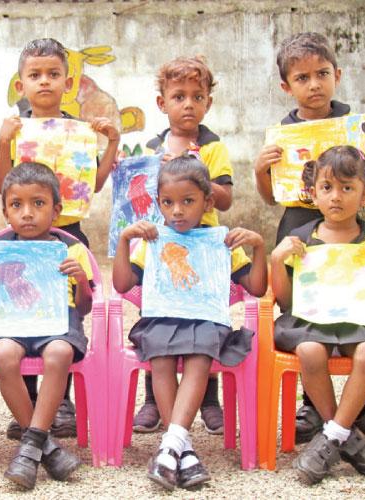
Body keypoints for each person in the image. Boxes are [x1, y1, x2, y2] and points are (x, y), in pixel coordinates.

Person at [253, 32, 365, 446]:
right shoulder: (283, 134)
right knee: (305, 315)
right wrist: (260, 172)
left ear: (338, 75)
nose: (314, 85)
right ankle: (314, 409)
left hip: (352, 238)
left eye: (322, 74)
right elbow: (271, 198)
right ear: (287, 87)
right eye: (302, 78)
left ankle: (360, 409)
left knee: (357, 312)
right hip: (301, 233)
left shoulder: (357, 128)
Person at [112, 155, 267, 490]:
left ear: (208, 202)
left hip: (205, 322)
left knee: (200, 357)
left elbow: (256, 287)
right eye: (167, 203)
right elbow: (123, 285)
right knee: (161, 360)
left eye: (187, 201)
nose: (177, 211)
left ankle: (170, 448)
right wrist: (126, 241)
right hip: (161, 319)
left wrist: (259, 248)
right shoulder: (153, 241)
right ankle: (184, 451)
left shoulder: (222, 242)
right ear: (158, 203)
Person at [0, 38, 120, 439]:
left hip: (68, 232)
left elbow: (95, 184)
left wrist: (112, 142)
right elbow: (1, 184)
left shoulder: (80, 131)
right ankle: (29, 407)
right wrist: (1, 142)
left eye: (53, 74)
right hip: (21, 236)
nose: (44, 82)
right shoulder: (13, 129)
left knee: (65, 309)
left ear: (68, 83)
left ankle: (59, 399)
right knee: (19, 307)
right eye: (35, 75)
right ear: (21, 84)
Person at [270, 145, 365, 484]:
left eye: (348, 188)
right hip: (311, 322)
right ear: (312, 193)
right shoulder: (300, 238)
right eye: (327, 188)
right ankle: (347, 437)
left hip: (361, 321)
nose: (336, 197)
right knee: (310, 351)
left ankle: (332, 436)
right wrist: (277, 261)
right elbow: (285, 300)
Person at [0, 162, 93, 490]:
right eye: (17, 205)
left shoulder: (71, 249)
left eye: (38, 204)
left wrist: (80, 280)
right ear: (5, 211)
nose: (27, 213)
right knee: (2, 353)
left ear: (56, 210)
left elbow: (85, 307)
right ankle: (46, 446)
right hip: (10, 324)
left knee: (58, 353)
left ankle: (30, 447)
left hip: (58, 323)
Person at [135, 56, 234, 436]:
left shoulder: (213, 147)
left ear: (208, 102)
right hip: (161, 247)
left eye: (197, 96)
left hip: (204, 250)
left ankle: (208, 400)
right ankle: (152, 401)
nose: (188, 104)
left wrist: (196, 170)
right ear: (163, 103)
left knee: (204, 319)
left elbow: (224, 200)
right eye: (179, 96)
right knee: (157, 316)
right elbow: (140, 198)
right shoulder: (151, 145)